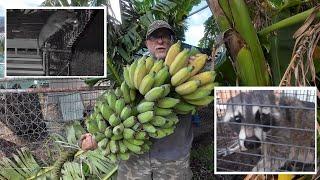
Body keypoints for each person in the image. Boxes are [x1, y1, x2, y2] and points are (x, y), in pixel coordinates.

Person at [80, 20, 193, 180]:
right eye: (154, 37)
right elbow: (116, 106)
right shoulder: (136, 71)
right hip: (135, 159)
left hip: (172, 158)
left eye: (165, 36)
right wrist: (95, 136)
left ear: (172, 41)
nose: (160, 41)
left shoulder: (189, 69)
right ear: (147, 43)